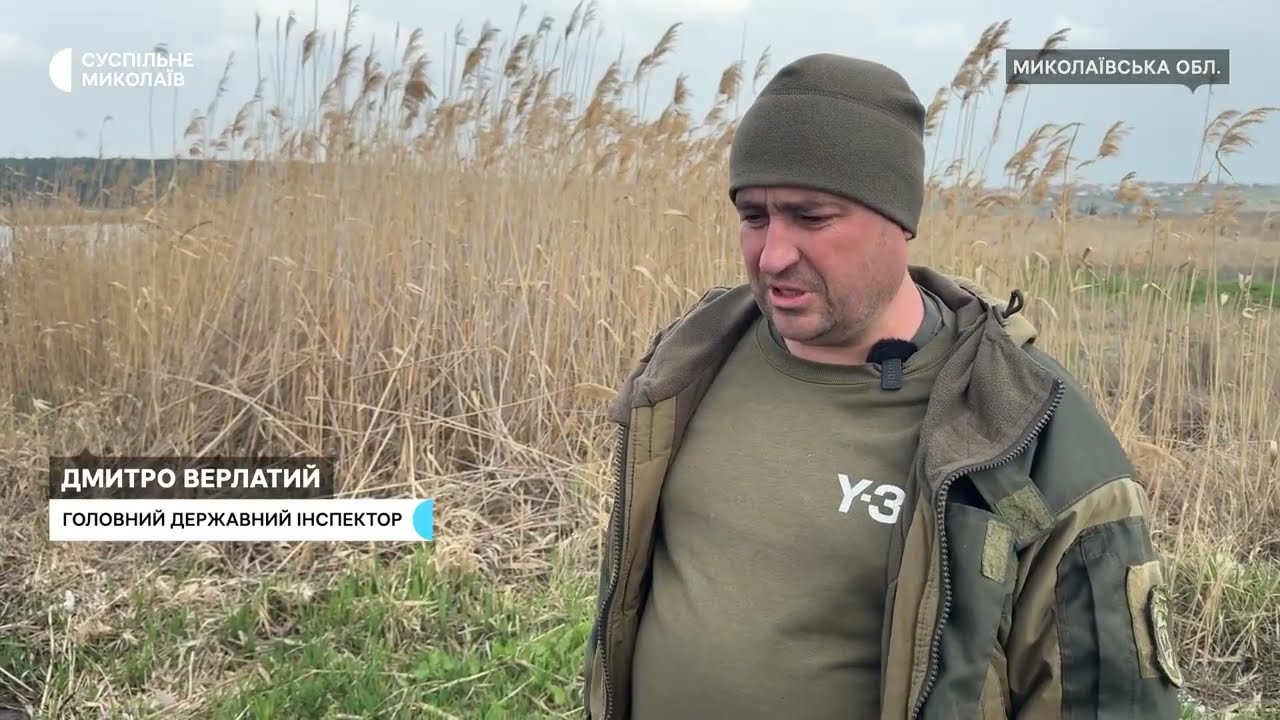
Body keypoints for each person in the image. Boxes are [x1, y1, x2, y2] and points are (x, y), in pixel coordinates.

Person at [580, 53, 1184, 719]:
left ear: (899, 219)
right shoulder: (690, 359)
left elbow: (1107, 699)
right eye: (754, 216)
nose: (772, 254)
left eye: (811, 217)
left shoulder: (1019, 424)